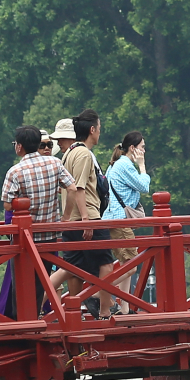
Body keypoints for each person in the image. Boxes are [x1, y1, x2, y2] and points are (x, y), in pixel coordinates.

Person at [0, 125, 79, 317]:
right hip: (50, 235)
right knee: (44, 280)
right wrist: (65, 217)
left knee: (24, 282)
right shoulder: (55, 164)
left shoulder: (15, 172)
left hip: (26, 239)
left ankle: (24, 322)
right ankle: (36, 317)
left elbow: (8, 205)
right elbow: (72, 188)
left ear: (19, 146)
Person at [55, 113, 111, 315]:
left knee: (71, 269)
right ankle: (105, 311)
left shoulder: (68, 153)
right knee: (106, 263)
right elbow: (79, 188)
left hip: (73, 219)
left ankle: (67, 312)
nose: (99, 133)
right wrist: (87, 220)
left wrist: (66, 217)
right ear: (92, 130)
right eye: (99, 128)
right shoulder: (84, 154)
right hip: (87, 216)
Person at [102, 131, 152, 308]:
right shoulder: (125, 165)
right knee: (131, 266)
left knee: (125, 265)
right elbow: (144, 186)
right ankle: (99, 292)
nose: (144, 151)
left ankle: (124, 308)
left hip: (114, 220)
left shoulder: (116, 164)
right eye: (142, 147)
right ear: (133, 148)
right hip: (120, 221)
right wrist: (142, 165)